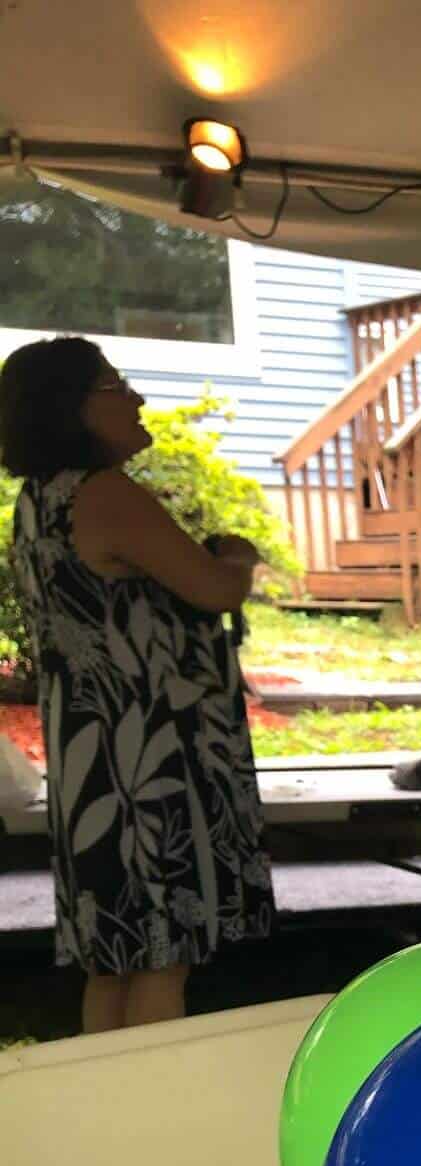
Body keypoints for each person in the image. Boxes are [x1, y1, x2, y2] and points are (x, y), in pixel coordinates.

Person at [0, 337, 273, 1032]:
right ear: (75, 407)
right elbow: (212, 589)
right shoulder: (106, 494)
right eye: (117, 385)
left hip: (89, 755)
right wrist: (236, 556)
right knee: (161, 957)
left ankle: (106, 1113)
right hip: (144, 760)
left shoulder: (39, 501)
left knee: (114, 958)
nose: (138, 399)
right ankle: (156, 1117)